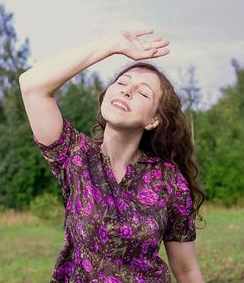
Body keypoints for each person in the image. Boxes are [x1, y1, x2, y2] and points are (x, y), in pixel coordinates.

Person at [19, 29, 206, 282]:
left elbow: (186, 270)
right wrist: (112, 44)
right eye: (121, 83)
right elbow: (32, 86)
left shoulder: (169, 180)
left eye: (142, 93)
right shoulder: (75, 156)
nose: (127, 91)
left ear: (153, 120)